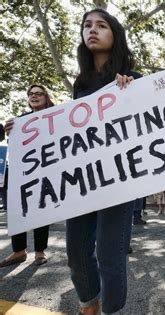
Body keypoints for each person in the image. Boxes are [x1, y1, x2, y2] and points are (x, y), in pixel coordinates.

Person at [65, 9, 141, 314]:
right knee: (76, 251)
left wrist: (130, 93)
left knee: (110, 255)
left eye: (101, 25)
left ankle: (111, 310)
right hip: (83, 180)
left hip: (118, 183)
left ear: (115, 34)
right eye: (87, 26)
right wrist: (26, 130)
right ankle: (89, 303)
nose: (92, 30)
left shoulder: (133, 79)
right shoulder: (80, 83)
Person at [0, 84, 53, 268]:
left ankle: (40, 252)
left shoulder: (57, 116)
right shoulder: (20, 121)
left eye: (38, 93)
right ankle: (19, 251)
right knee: (18, 209)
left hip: (46, 170)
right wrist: (9, 129)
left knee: (40, 210)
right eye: (31, 93)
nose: (34, 96)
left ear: (46, 97)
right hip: (22, 172)